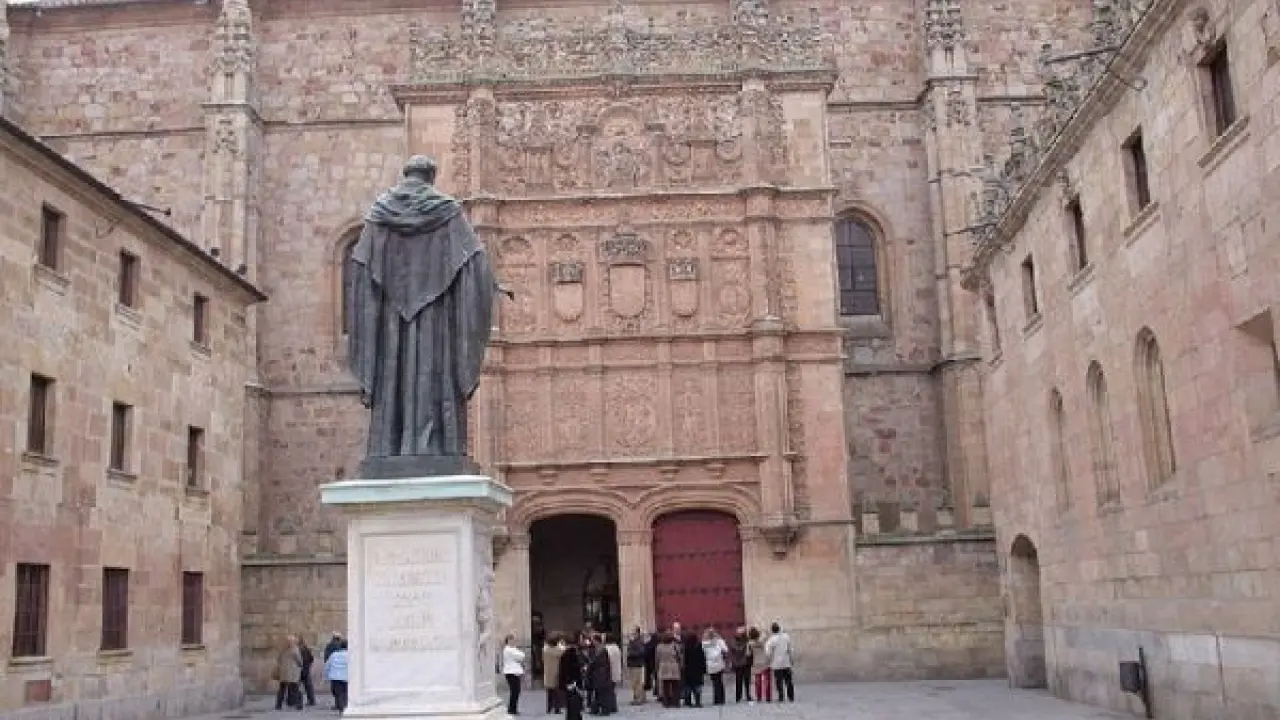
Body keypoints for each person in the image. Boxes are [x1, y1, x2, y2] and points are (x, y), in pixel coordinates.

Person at [764, 622, 795, 702]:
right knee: (788, 680)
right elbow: (790, 649)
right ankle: (791, 696)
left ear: (772, 630)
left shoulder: (771, 639)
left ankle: (781, 697)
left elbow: (768, 652)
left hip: (776, 664)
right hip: (786, 662)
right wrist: (791, 659)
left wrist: (769, 660)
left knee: (779, 681)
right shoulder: (786, 636)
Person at [274, 634, 304, 710]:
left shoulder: (282, 650)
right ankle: (299, 704)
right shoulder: (295, 649)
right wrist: (301, 666)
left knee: (282, 689)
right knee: (295, 689)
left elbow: (278, 659)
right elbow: (299, 661)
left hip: (283, 673)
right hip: (292, 673)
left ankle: (278, 705)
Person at [702, 627, 730, 705]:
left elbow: (703, 652)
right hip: (718, 663)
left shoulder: (704, 643)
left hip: (710, 664)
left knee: (715, 682)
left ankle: (716, 699)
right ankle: (721, 699)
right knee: (719, 681)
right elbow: (726, 649)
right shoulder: (719, 641)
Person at [654, 632, 681, 708]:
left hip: (664, 667)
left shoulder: (659, 647)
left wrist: (656, 667)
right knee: (675, 686)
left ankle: (666, 702)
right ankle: (676, 702)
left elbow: (657, 658)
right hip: (673, 666)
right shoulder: (675, 646)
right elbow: (679, 656)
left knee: (665, 686)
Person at [558, 642, 585, 720]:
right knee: (575, 704)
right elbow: (576, 672)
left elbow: (563, 672)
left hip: (568, 684)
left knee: (570, 704)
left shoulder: (564, 656)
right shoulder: (573, 658)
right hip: (574, 684)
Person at [501, 635, 526, 715]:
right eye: (511, 640)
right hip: (510, 672)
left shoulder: (512, 649)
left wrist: (517, 651)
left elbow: (521, 656)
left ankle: (512, 708)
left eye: (513, 640)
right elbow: (521, 656)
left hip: (514, 672)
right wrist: (518, 652)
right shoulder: (508, 649)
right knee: (515, 691)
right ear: (507, 641)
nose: (513, 641)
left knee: (516, 691)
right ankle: (512, 709)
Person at [680, 630, 706, 708]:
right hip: (697, 670)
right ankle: (697, 702)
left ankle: (688, 702)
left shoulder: (685, 647)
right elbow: (702, 658)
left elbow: (684, 659)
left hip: (688, 670)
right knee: (697, 686)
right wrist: (704, 669)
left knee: (688, 686)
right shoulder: (699, 646)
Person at [325, 640, 350, 715]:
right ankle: (345, 707)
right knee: (345, 693)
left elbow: (327, 665)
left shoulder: (334, 655)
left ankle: (341, 708)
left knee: (338, 693)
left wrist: (327, 675)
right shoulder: (350, 655)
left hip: (335, 677)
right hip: (346, 677)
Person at [729, 626, 753, 702]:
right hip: (738, 663)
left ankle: (748, 695)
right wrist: (745, 645)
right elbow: (737, 649)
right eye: (743, 633)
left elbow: (750, 651)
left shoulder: (747, 640)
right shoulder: (734, 641)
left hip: (746, 663)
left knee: (747, 680)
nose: (744, 634)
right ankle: (738, 696)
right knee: (739, 680)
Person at [543, 632, 565, 714]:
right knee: (557, 692)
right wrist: (561, 644)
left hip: (547, 672)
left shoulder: (545, 649)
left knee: (549, 692)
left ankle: (549, 708)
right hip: (555, 672)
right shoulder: (555, 650)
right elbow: (562, 651)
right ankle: (557, 709)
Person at [625, 628, 647, 705]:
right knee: (635, 682)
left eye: (633, 633)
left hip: (636, 664)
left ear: (637, 633)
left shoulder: (638, 642)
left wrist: (631, 653)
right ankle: (639, 697)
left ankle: (638, 698)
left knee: (637, 682)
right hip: (633, 664)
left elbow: (641, 652)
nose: (631, 634)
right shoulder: (633, 641)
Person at [748, 627, 771, 703]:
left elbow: (748, 653)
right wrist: (762, 631)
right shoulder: (762, 641)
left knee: (758, 681)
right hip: (765, 661)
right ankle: (768, 697)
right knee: (767, 680)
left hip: (756, 662)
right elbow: (766, 635)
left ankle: (759, 697)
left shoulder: (750, 643)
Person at [298, 637, 317, 707]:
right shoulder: (307, 649)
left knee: (295, 686)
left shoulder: (297, 650)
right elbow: (311, 659)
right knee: (308, 687)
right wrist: (308, 666)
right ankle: (312, 701)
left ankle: (295, 701)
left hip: (299, 670)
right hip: (306, 670)